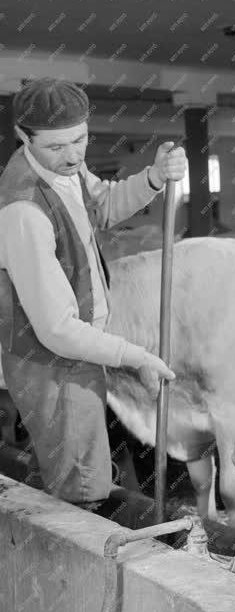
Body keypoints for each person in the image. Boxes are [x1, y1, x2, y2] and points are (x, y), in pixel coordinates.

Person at [0, 77, 187, 506]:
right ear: (23, 138)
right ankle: (75, 558)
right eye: (57, 147)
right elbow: (57, 330)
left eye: (80, 140)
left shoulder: (67, 169)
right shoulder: (23, 211)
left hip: (78, 352)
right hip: (52, 364)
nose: (73, 156)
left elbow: (102, 207)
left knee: (74, 468)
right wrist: (136, 356)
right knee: (83, 485)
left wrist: (154, 178)